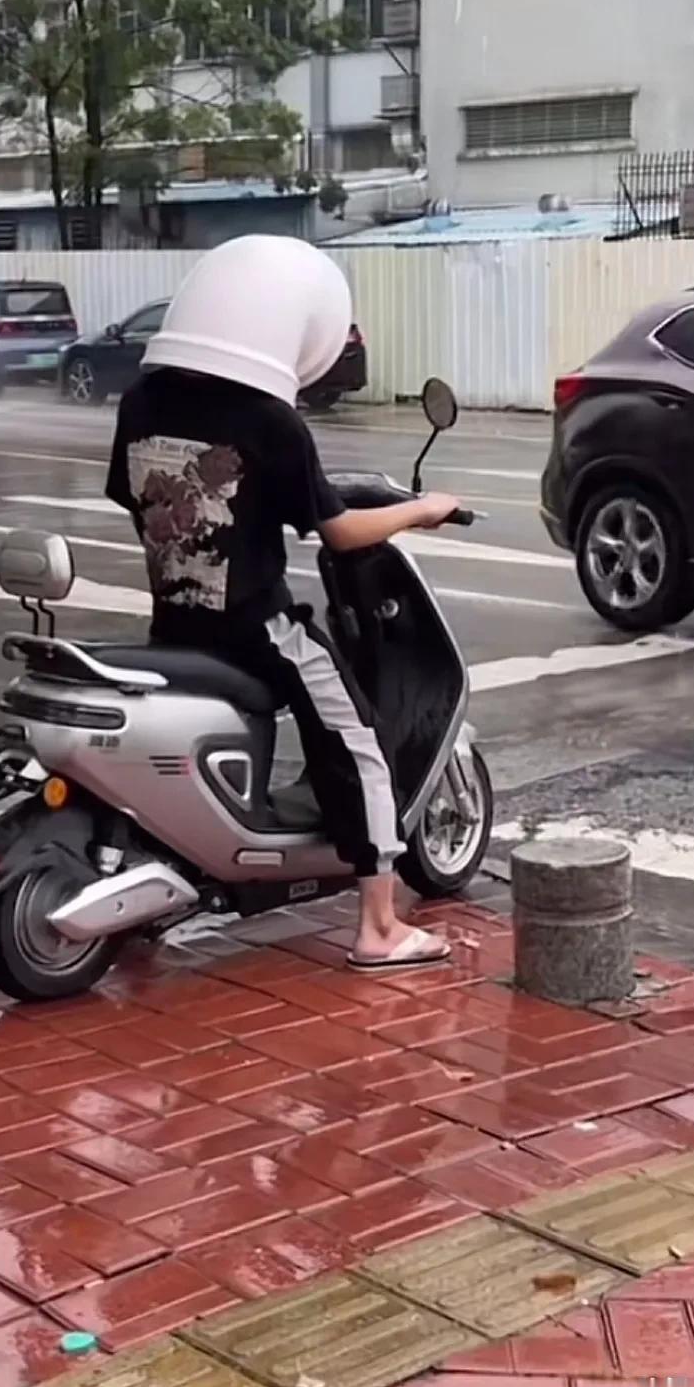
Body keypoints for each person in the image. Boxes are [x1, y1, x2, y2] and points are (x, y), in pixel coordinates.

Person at [106, 234, 462, 971]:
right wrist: (419, 512)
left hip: (172, 623)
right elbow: (338, 532)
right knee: (357, 738)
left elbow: (132, 499)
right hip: (256, 632)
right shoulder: (272, 421)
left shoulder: (142, 399)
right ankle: (380, 928)